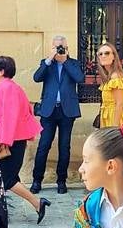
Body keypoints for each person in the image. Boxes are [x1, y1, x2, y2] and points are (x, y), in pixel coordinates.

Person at [0, 55, 49, 224]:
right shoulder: (10, 87)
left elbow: (9, 117)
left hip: (11, 141)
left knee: (7, 179)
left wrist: (1, 141)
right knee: (3, 178)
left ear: (1, 71)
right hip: (12, 140)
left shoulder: (6, 88)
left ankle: (37, 203)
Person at [30, 35, 84, 195]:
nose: (59, 49)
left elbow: (79, 78)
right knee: (44, 145)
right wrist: (50, 59)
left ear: (67, 48)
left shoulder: (73, 63)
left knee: (64, 146)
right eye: (56, 47)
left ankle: (61, 181)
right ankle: (36, 180)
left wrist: (65, 60)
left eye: (62, 47)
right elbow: (36, 77)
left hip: (67, 111)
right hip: (48, 110)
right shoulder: (46, 63)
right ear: (51, 48)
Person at [96, 42, 123, 128]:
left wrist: (115, 127)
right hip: (106, 117)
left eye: (107, 53)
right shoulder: (108, 76)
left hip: (114, 118)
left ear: (114, 57)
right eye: (100, 54)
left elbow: (120, 103)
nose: (103, 56)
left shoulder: (116, 77)